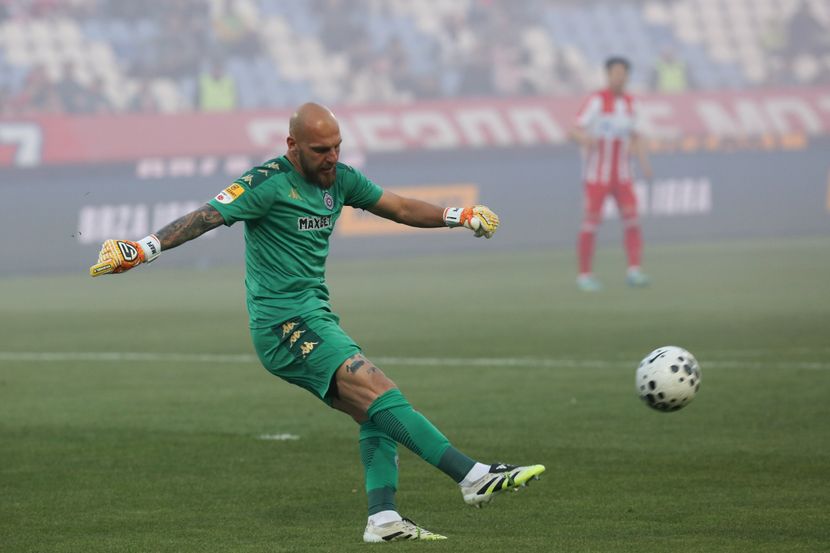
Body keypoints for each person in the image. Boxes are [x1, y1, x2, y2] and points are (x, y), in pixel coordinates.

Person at [88, 103, 544, 542]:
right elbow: (206, 216)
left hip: (314, 315)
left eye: (337, 147)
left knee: (376, 412)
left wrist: (457, 215)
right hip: (281, 324)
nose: (332, 157)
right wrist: (143, 248)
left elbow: (400, 208)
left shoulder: (340, 179)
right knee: (380, 391)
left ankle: (383, 519)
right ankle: (472, 476)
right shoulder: (266, 183)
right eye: (321, 150)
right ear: (293, 145)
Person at [569, 57, 653, 292]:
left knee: (632, 221)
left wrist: (644, 164)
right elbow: (573, 130)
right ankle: (585, 275)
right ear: (607, 75)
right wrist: (583, 138)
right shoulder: (596, 101)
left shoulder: (631, 104)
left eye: (623, 73)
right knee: (590, 224)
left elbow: (637, 135)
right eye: (615, 73)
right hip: (597, 176)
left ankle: (634, 271)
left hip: (624, 176)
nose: (619, 77)